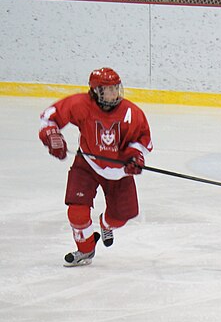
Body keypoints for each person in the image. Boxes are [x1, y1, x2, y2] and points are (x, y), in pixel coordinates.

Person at [39, 67, 152, 266]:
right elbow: (49, 117)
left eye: (115, 89)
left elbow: (142, 139)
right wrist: (52, 136)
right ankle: (85, 249)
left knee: (122, 216)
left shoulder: (131, 113)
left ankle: (105, 224)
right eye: (106, 90)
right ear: (95, 91)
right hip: (87, 163)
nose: (112, 94)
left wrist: (135, 156)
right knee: (76, 211)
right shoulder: (81, 104)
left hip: (119, 171)